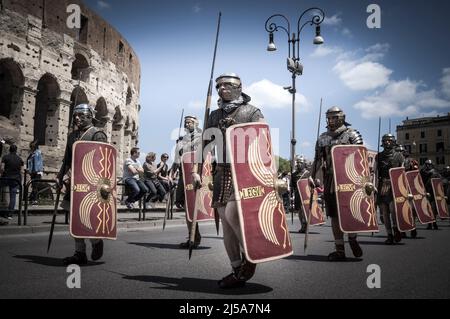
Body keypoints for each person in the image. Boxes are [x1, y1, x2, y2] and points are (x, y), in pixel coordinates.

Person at [192, 73, 263, 288]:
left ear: (239, 87)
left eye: (227, 85)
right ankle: (236, 269)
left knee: (234, 216)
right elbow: (204, 145)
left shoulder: (252, 112)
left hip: (245, 172)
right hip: (221, 173)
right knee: (226, 223)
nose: (222, 88)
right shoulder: (213, 116)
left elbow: (263, 141)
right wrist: (197, 171)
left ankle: (251, 256)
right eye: (219, 85)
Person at [310, 106, 364, 261]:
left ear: (342, 117)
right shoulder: (323, 138)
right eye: (329, 117)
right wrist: (311, 176)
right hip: (330, 179)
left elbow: (361, 160)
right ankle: (339, 248)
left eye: (334, 117)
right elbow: (317, 160)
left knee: (350, 211)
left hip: (349, 180)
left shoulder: (352, 134)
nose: (331, 120)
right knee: (333, 215)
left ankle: (352, 238)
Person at [57, 104, 108, 266]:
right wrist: (60, 177)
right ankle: (79, 253)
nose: (77, 118)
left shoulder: (97, 134)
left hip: (91, 185)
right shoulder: (72, 136)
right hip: (74, 185)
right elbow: (67, 160)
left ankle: (96, 242)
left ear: (89, 116)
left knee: (89, 217)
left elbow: (100, 162)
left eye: (80, 115)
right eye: (75, 115)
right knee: (75, 220)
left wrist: (73, 173)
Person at [170, 116, 203, 249]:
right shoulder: (182, 141)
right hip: (184, 176)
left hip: (198, 176)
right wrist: (172, 172)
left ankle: (195, 236)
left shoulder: (202, 137)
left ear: (196, 123)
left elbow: (207, 156)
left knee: (198, 206)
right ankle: (193, 235)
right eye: (186, 122)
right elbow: (178, 160)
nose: (187, 124)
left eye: (190, 122)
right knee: (187, 207)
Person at [375, 134, 405, 244]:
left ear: (393, 142)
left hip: (394, 186)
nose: (387, 142)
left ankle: (396, 228)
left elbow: (402, 173)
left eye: (389, 140)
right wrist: (374, 186)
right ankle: (389, 234)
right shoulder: (378, 156)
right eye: (385, 140)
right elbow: (376, 172)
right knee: (385, 212)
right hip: (382, 185)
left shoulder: (399, 156)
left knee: (393, 210)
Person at [0, 144, 24, 219]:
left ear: (9, 149)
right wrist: (21, 180)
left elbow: (2, 168)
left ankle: (2, 211)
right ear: (16, 150)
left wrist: (2, 175)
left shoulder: (5, 157)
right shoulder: (20, 159)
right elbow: (22, 171)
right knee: (12, 196)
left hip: (6, 178)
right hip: (15, 179)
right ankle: (10, 214)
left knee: (2, 194)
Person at [291, 156, 310, 233]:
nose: (299, 164)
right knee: (299, 210)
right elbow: (292, 185)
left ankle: (305, 224)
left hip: (306, 194)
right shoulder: (294, 174)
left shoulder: (308, 173)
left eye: (300, 163)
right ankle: (302, 225)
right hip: (297, 194)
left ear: (304, 164)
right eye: (298, 162)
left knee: (304, 209)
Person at [420, 159, 441, 230]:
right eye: (427, 164)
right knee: (428, 207)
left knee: (434, 208)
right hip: (426, 190)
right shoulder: (423, 171)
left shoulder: (435, 171)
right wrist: (430, 172)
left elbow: (439, 179)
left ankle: (434, 223)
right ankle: (429, 224)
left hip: (434, 191)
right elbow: (422, 175)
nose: (428, 166)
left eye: (429, 164)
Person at [26, 140, 44, 205]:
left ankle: (35, 200)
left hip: (36, 172)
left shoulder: (36, 153)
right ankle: (32, 199)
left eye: (31, 147)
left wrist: (33, 171)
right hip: (35, 172)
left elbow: (36, 163)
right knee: (34, 186)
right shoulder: (34, 153)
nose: (30, 148)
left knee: (35, 186)